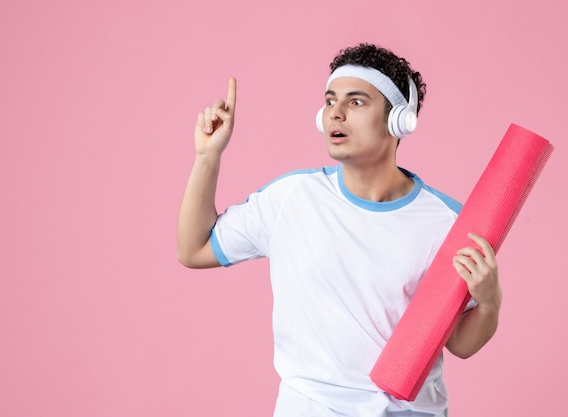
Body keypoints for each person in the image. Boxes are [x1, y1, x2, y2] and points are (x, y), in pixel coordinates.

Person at [177, 43, 502, 417]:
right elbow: (194, 250)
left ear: (399, 120)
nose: (336, 113)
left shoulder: (447, 222)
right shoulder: (293, 198)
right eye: (330, 101)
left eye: (357, 102)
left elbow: (460, 342)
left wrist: (490, 302)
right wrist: (207, 157)